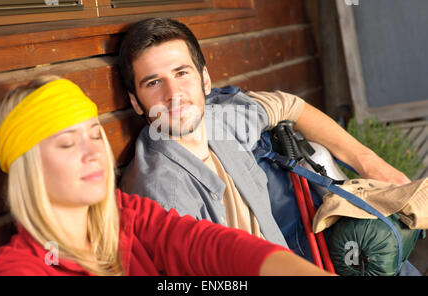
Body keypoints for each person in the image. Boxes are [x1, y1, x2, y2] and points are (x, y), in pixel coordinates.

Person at [0, 76, 332, 276]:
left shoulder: (127, 217)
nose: (94, 153)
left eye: (95, 135)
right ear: (29, 169)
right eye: (65, 144)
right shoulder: (18, 270)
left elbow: (212, 247)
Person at [118, 18, 411, 248]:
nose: (174, 94)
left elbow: (290, 106)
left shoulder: (220, 120)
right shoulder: (161, 191)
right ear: (135, 102)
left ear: (205, 80)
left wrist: (369, 162)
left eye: (182, 73)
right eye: (154, 83)